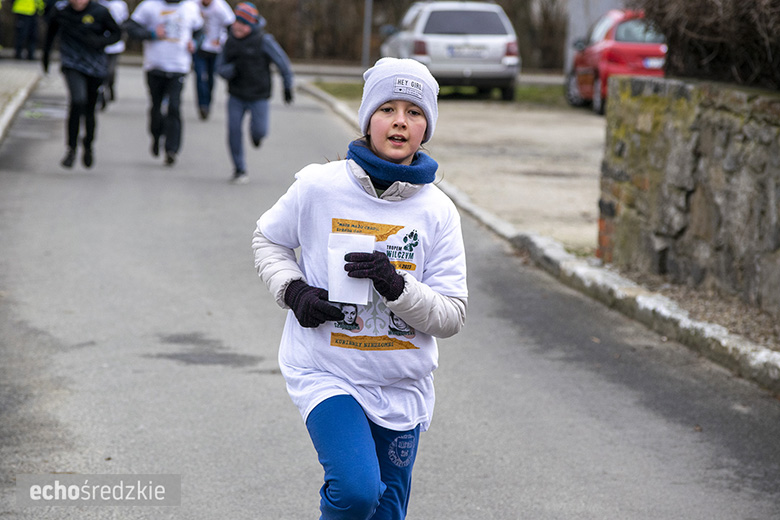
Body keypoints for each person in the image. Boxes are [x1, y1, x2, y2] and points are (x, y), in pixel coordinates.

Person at [252, 57, 468, 520]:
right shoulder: (318, 187)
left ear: (425, 126)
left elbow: (451, 315)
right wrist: (294, 293)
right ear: (367, 118)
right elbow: (268, 240)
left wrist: (397, 286)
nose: (399, 121)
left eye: (413, 112)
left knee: (387, 509)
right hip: (328, 371)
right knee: (355, 491)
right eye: (387, 108)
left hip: (401, 382)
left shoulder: (438, 211)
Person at [217, 2, 293, 183]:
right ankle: (239, 169)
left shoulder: (264, 41)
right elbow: (219, 68)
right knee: (234, 130)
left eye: (242, 23)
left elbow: (283, 63)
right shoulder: (229, 41)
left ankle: (256, 137)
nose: (237, 26)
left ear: (250, 25)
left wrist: (287, 86)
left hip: (259, 95)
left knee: (260, 131)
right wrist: (231, 70)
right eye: (236, 22)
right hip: (236, 95)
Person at [42, 0, 121, 169]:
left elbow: (117, 34)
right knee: (77, 101)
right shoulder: (61, 12)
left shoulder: (100, 12)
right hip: (72, 63)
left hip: (95, 66)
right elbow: (50, 33)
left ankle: (88, 145)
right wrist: (45, 58)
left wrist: (100, 41)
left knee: (90, 109)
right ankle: (71, 149)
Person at [124, 0, 203, 166]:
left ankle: (171, 149)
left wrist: (195, 43)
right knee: (156, 106)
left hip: (179, 66)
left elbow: (200, 31)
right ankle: (156, 135)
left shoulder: (190, 7)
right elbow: (130, 28)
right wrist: (151, 33)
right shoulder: (149, 6)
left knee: (174, 107)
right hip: (155, 66)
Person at [192, 0, 234, 120]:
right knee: (200, 77)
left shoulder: (220, 7)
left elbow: (231, 26)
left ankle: (208, 102)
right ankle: (202, 105)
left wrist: (221, 40)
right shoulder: (193, 4)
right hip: (199, 48)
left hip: (215, 49)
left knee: (210, 77)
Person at [97, 0, 128, 110]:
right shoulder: (98, 4)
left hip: (115, 45)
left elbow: (123, 22)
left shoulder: (120, 4)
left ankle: (110, 86)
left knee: (110, 71)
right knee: (100, 71)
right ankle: (100, 95)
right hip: (100, 45)